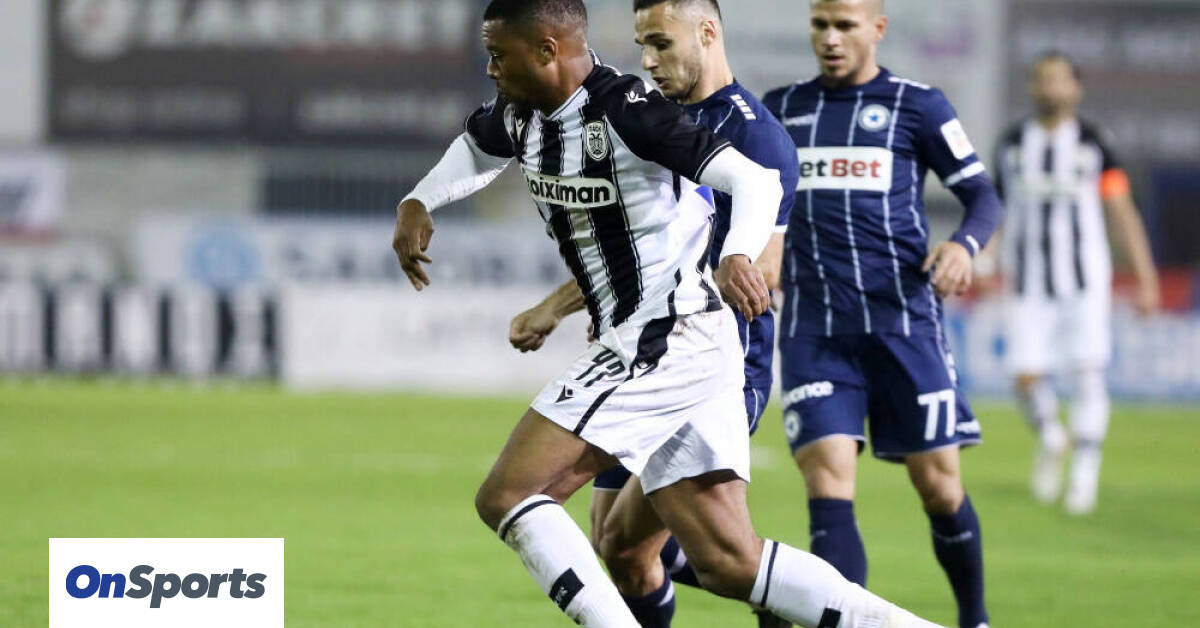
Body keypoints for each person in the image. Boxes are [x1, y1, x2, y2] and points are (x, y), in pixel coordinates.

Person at [394, 1, 945, 626]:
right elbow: (475, 149)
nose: (491, 68)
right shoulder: (522, 112)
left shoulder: (629, 111)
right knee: (728, 562)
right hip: (688, 342)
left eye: (499, 55)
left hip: (664, 335)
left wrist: (736, 254)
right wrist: (419, 200)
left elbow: (757, 182)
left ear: (547, 51)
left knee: (509, 494)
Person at [506, 1, 797, 626]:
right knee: (619, 547)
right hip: (646, 355)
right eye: (642, 44)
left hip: (715, 365)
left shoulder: (751, 135)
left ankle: (779, 590)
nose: (647, 60)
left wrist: (646, 302)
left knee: (630, 543)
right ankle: (771, 590)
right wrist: (568, 306)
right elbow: (638, 251)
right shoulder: (650, 117)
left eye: (661, 43)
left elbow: (763, 271)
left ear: (707, 32)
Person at [761, 1, 1004, 627]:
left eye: (845, 25)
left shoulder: (917, 105)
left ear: (878, 29)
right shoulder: (780, 109)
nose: (830, 38)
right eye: (820, 24)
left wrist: (963, 245)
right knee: (827, 482)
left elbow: (982, 196)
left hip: (904, 324)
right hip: (814, 329)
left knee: (940, 487)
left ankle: (974, 618)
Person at [992, 51, 1160, 515]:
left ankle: (1084, 474)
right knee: (1023, 375)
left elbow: (1120, 210)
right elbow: (995, 209)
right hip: (1027, 280)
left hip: (1084, 282)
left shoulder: (1093, 143)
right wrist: (982, 254)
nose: (1049, 87)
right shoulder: (1012, 143)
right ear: (1033, 87)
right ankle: (1051, 434)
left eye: (1058, 79)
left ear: (1075, 88)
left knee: (1088, 373)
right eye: (1041, 79)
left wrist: (1145, 276)